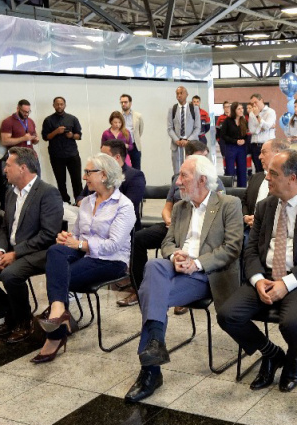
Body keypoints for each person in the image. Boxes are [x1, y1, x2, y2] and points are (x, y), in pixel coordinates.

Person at [124, 155, 244, 403]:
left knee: (149, 293)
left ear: (202, 180)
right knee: (156, 264)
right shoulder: (180, 207)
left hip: (206, 274)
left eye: (183, 176)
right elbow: (167, 242)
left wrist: (196, 263)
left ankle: (150, 372)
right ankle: (155, 345)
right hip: (176, 266)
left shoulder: (228, 204)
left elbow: (232, 249)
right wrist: (175, 255)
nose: (177, 182)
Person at [218, 150, 297, 392]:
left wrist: (287, 284)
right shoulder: (265, 207)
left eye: (273, 173)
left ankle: (292, 360)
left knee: (291, 322)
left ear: (292, 178)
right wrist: (258, 279)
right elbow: (250, 250)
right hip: (267, 276)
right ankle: (271, 353)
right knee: (227, 314)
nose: (266, 177)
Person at [33, 153, 136, 364]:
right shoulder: (88, 202)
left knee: (61, 277)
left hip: (111, 261)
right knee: (55, 251)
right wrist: (68, 238)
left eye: (89, 172)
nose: (84, 176)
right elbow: (78, 234)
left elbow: (113, 245)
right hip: (85, 252)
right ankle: (60, 311)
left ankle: (56, 333)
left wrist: (80, 245)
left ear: (105, 175)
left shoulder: (124, 206)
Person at [0, 147, 63, 342]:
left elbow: (48, 235)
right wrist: (0, 249)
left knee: (10, 274)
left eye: (8, 165)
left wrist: (15, 253)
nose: (4, 169)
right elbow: (4, 229)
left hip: (40, 251)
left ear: (22, 168)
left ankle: (24, 321)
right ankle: (11, 315)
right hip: (10, 249)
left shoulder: (47, 193)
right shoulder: (10, 193)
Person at [117, 141, 218, 309]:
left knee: (185, 244)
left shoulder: (214, 184)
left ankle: (182, 291)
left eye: (204, 157)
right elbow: (167, 207)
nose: (179, 181)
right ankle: (139, 288)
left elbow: (213, 216)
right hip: (173, 223)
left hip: (195, 229)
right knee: (139, 238)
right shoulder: (178, 181)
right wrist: (169, 220)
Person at [77, 140, 146, 225]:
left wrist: (94, 205)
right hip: (93, 221)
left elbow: (128, 205)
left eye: (105, 156)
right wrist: (86, 204)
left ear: (117, 157)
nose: (100, 159)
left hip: (122, 224)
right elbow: (80, 197)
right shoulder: (97, 174)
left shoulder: (135, 176)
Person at [41, 96, 83, 204]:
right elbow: (45, 137)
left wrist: (71, 135)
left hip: (72, 154)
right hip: (56, 155)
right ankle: (65, 202)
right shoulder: (48, 120)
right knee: (61, 181)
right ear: (54, 105)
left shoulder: (72, 118)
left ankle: (79, 202)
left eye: (61, 104)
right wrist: (56, 132)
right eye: (57, 104)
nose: (59, 106)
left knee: (77, 180)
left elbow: (79, 135)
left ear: (65, 105)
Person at [242, 138, 291, 226]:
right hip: (249, 231)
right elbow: (244, 202)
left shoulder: (290, 181)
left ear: (277, 153)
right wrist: (246, 217)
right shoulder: (255, 177)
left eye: (264, 152)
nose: (260, 156)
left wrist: (261, 221)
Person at [167, 86, 202, 175]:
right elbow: (170, 128)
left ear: (187, 94)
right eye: (177, 93)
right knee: (177, 173)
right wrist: (177, 140)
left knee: (192, 172)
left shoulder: (194, 109)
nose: (179, 95)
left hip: (191, 145)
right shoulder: (172, 109)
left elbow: (197, 127)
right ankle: (177, 189)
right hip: (177, 146)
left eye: (181, 93)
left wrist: (188, 140)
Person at [222, 102, 249, 188]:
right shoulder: (227, 121)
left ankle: (242, 189)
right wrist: (235, 141)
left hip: (241, 148)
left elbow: (247, 135)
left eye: (242, 108)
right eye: (239, 109)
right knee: (230, 170)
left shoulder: (244, 121)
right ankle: (228, 189)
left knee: (242, 170)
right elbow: (223, 135)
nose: (242, 110)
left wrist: (244, 141)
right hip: (231, 147)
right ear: (234, 110)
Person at [248, 93, 276, 172]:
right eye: (252, 103)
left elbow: (267, 126)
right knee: (258, 170)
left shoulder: (270, 112)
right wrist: (263, 127)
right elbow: (252, 130)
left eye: (255, 102)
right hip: (255, 145)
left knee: (269, 169)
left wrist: (258, 116)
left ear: (261, 100)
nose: (254, 105)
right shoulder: (251, 114)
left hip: (267, 144)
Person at [120, 94, 144, 170]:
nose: (123, 104)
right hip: (122, 146)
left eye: (125, 102)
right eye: (122, 102)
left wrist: (134, 139)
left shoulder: (138, 116)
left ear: (130, 103)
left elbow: (140, 130)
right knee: (123, 169)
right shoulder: (118, 116)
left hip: (135, 146)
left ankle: (136, 182)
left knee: (136, 169)